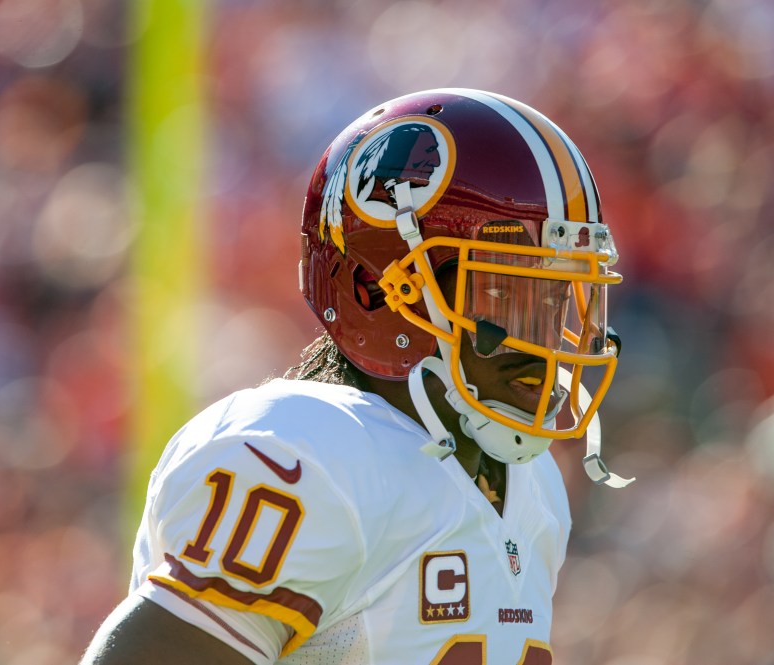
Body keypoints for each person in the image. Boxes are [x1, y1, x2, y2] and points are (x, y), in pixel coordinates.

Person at [79, 88, 633, 665]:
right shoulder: (311, 456)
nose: (545, 338)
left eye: (556, 299)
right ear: (377, 290)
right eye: (508, 292)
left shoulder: (532, 486)